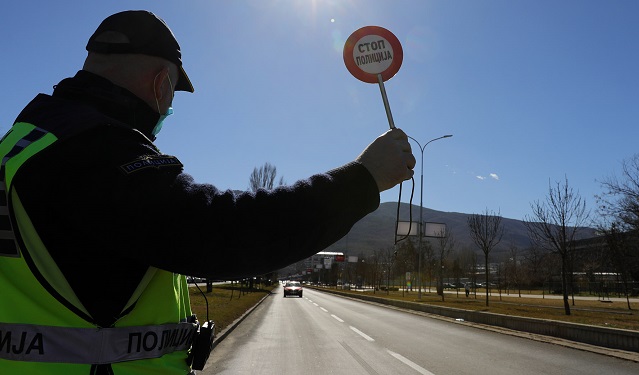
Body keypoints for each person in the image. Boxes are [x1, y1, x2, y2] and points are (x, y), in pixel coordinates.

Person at [0, 10, 415, 375]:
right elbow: (225, 229)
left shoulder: (25, 143)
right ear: (163, 84)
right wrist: (364, 179)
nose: (165, 111)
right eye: (172, 96)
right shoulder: (96, 147)